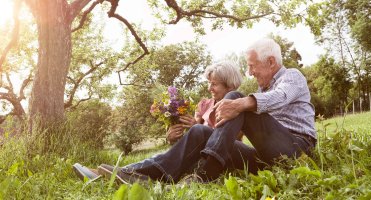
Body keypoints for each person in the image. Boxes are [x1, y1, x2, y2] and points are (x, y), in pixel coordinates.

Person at [73, 61, 245, 183]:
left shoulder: (236, 105)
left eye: (214, 84)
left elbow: (231, 139)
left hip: (218, 160)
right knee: (163, 156)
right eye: (208, 83)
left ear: (229, 86)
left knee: (196, 133)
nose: (209, 88)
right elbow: (188, 144)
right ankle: (112, 175)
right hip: (195, 158)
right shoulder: (204, 105)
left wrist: (196, 128)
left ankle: (118, 173)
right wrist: (173, 138)